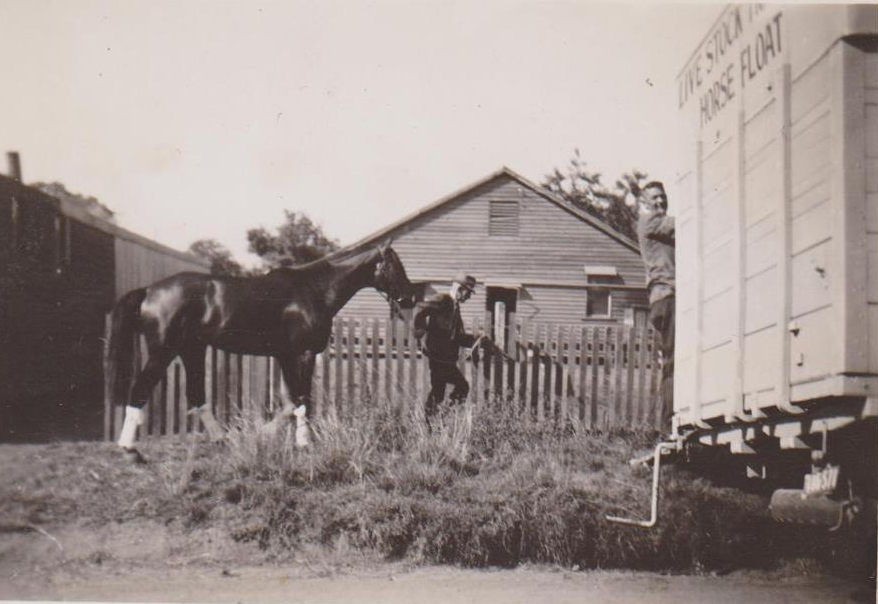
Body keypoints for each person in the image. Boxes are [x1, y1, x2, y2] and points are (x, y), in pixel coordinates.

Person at [413, 272, 479, 420]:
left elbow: (457, 337)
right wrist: (420, 330)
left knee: (442, 392)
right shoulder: (442, 300)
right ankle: (438, 420)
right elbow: (419, 309)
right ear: (460, 289)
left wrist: (477, 340)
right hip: (437, 358)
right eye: (468, 293)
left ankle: (436, 421)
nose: (469, 297)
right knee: (456, 388)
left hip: (446, 360)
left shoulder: (455, 308)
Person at [637, 181, 675, 432]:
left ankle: (669, 422)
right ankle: (668, 424)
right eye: (654, 198)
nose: (660, 202)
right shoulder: (649, 222)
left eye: (663, 197)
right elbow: (686, 224)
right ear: (644, 203)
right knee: (673, 362)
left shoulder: (658, 225)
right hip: (666, 296)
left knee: (674, 360)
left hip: (665, 297)